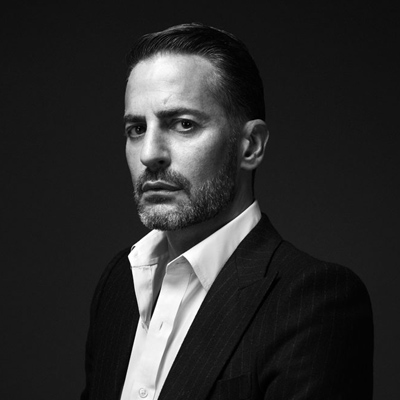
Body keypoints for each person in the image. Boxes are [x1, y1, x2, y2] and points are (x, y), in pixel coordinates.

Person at [81, 23, 373, 400]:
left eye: (183, 124)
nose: (149, 153)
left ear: (250, 146)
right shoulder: (119, 282)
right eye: (136, 128)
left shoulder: (314, 302)